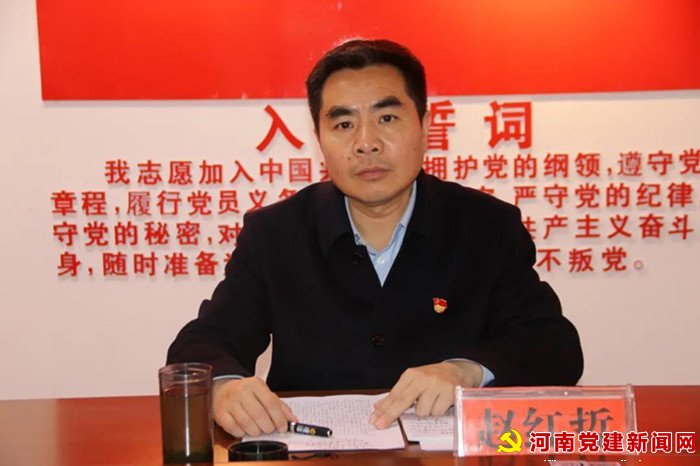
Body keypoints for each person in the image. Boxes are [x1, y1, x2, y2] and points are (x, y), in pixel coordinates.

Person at [167, 39, 583, 438]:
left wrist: (466, 370)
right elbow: (202, 342)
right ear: (319, 139)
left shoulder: (486, 226)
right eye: (344, 124)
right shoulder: (275, 234)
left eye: (387, 119)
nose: (366, 144)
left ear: (425, 126)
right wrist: (225, 385)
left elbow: (554, 345)